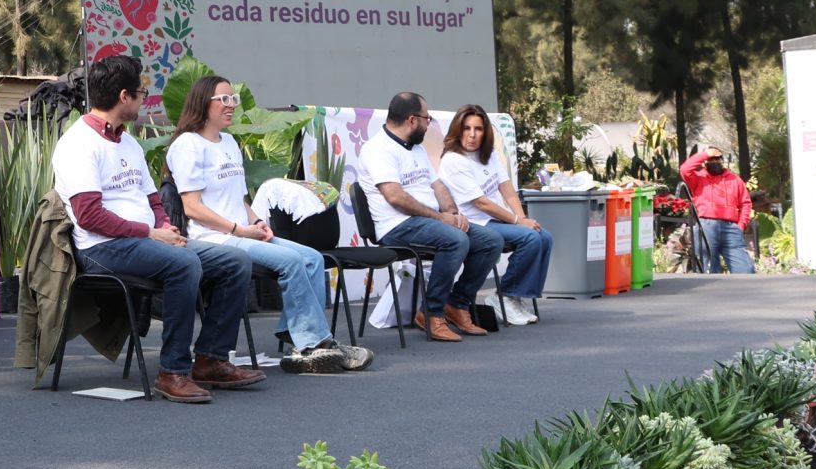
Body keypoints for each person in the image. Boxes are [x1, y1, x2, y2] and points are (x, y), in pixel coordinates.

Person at [50, 54, 258, 403]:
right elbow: (89, 217)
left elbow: (153, 200)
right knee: (184, 264)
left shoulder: (129, 143)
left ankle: (210, 359)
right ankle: (172, 371)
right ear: (124, 97)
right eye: (141, 93)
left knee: (234, 262)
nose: (143, 100)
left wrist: (165, 227)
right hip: (101, 248)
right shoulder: (79, 144)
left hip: (147, 241)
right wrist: (150, 233)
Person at [166, 75, 370, 373]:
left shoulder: (229, 142)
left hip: (243, 232)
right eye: (224, 99)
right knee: (291, 261)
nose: (231, 105)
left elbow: (239, 199)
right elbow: (192, 207)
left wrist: (258, 221)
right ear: (202, 103)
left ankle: (297, 335)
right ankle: (316, 345)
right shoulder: (188, 145)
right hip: (215, 239)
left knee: (312, 258)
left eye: (233, 99)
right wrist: (238, 230)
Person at [351, 91, 504, 340]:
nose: (428, 123)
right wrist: (440, 218)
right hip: (396, 225)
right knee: (455, 240)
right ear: (412, 120)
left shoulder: (416, 148)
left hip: (428, 221)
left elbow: (437, 185)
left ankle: (457, 304)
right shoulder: (378, 149)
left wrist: (453, 213)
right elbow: (395, 197)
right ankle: (431, 313)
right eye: (427, 118)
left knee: (491, 240)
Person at [437, 106, 552, 318]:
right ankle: (505, 296)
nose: (472, 135)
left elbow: (506, 188)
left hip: (493, 219)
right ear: (457, 130)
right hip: (474, 222)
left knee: (543, 236)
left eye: (478, 129)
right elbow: (481, 203)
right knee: (530, 238)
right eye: (466, 128)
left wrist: (522, 218)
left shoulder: (488, 155)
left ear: (485, 132)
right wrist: (518, 221)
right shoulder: (453, 160)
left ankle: (515, 296)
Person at [678, 142, 758, 273]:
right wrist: (706, 154)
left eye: (717, 158)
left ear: (722, 160)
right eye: (711, 159)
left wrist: (740, 226)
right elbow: (684, 169)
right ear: (704, 162)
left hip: (731, 228)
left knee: (745, 270)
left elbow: (745, 203)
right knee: (709, 271)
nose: (714, 161)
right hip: (706, 226)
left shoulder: (735, 180)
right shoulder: (698, 178)